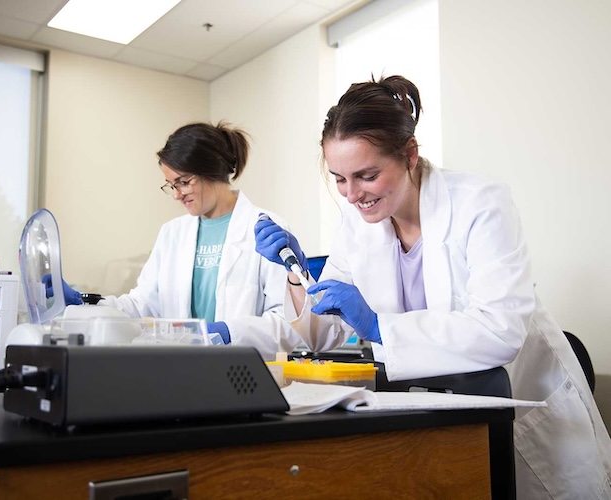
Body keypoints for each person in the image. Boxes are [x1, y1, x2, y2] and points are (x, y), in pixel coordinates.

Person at [254, 75, 611, 498]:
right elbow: (326, 325)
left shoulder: (480, 204)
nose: (352, 195)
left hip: (522, 405)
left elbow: (500, 330)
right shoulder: (357, 222)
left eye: (366, 175)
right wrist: (295, 273)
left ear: (409, 154)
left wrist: (379, 327)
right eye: (339, 179)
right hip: (430, 410)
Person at [62, 121, 299, 358]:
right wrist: (85, 304)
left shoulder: (267, 229)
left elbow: (290, 323)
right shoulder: (172, 233)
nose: (176, 194)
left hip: (242, 371)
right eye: (170, 185)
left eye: (183, 182)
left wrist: (230, 332)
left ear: (212, 170)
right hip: (181, 368)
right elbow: (141, 305)